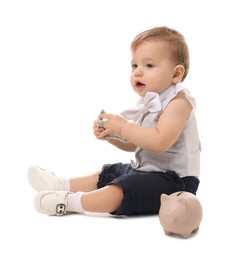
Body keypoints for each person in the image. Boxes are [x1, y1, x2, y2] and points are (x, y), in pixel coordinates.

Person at [28, 26, 201, 216]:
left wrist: (124, 126)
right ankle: (60, 184)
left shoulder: (179, 102)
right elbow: (136, 144)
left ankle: (69, 202)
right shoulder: (149, 102)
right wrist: (112, 134)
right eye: (134, 66)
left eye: (149, 65)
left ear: (176, 74)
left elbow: (159, 142)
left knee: (123, 188)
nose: (138, 72)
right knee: (112, 172)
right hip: (148, 171)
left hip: (176, 183)